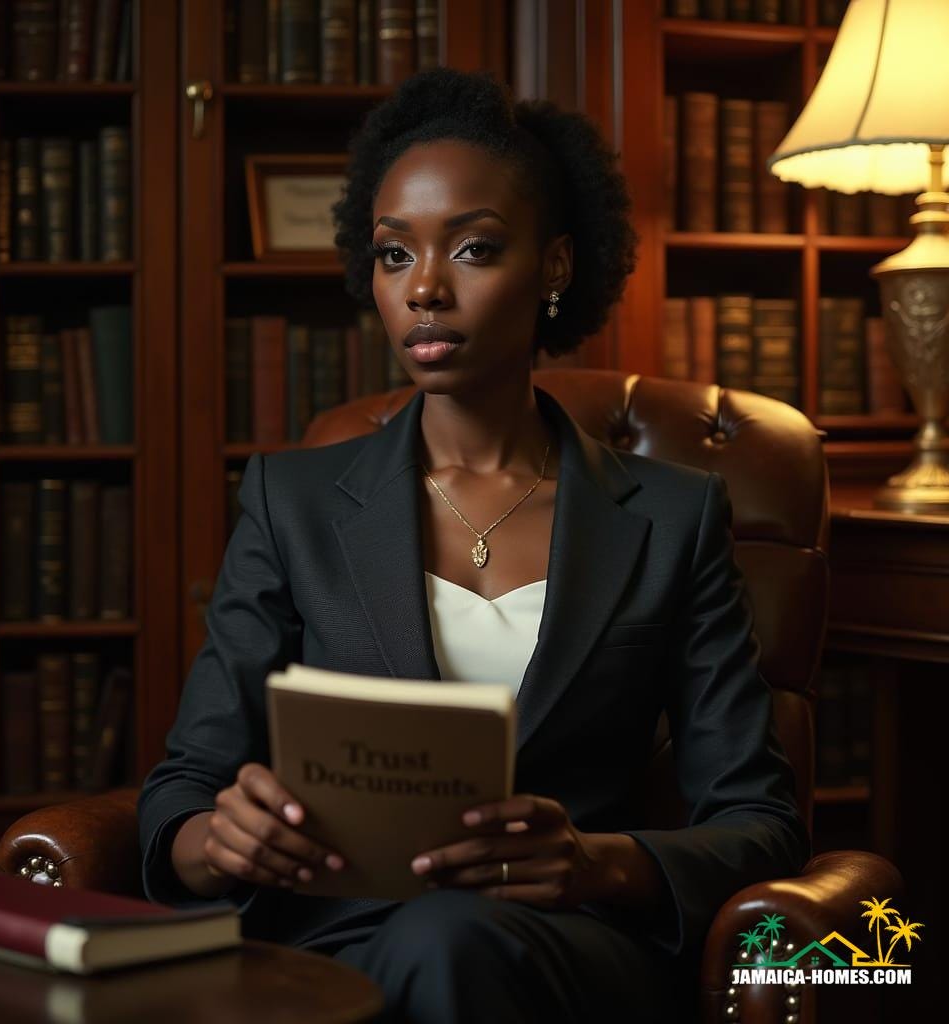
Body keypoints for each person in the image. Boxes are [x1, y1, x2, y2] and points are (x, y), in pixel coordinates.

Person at [138, 67, 811, 1022]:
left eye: (475, 248)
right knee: (415, 947)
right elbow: (183, 790)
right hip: (335, 937)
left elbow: (761, 825)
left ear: (556, 267)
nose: (424, 288)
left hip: (562, 943)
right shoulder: (291, 503)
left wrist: (596, 862)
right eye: (392, 254)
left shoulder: (672, 517)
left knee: (450, 939)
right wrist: (221, 839)